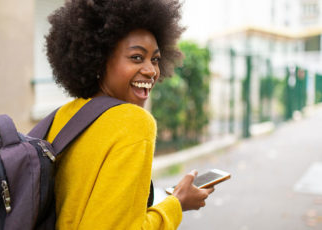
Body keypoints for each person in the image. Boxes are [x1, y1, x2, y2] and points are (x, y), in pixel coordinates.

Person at [45, 0, 214, 229]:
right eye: (136, 57)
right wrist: (177, 203)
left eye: (155, 59)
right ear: (99, 60)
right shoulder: (133, 123)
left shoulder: (64, 116)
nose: (151, 70)